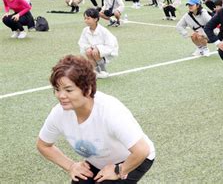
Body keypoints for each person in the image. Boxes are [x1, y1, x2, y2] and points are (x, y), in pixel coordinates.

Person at [37, 55, 155, 183]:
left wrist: (119, 170)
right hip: (100, 161)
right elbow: (43, 145)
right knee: (80, 180)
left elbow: (142, 150)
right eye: (57, 89)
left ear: (87, 89)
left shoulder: (110, 111)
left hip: (135, 158)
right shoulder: (59, 113)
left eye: (68, 90)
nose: (60, 95)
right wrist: (71, 166)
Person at [78, 8, 119, 78]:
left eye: (88, 18)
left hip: (105, 51)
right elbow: (82, 42)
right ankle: (95, 71)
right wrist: (88, 47)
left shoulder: (103, 31)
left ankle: (104, 70)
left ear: (96, 19)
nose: (86, 20)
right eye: (85, 18)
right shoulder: (85, 30)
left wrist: (98, 48)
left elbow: (111, 44)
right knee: (88, 51)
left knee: (95, 51)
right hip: (93, 51)